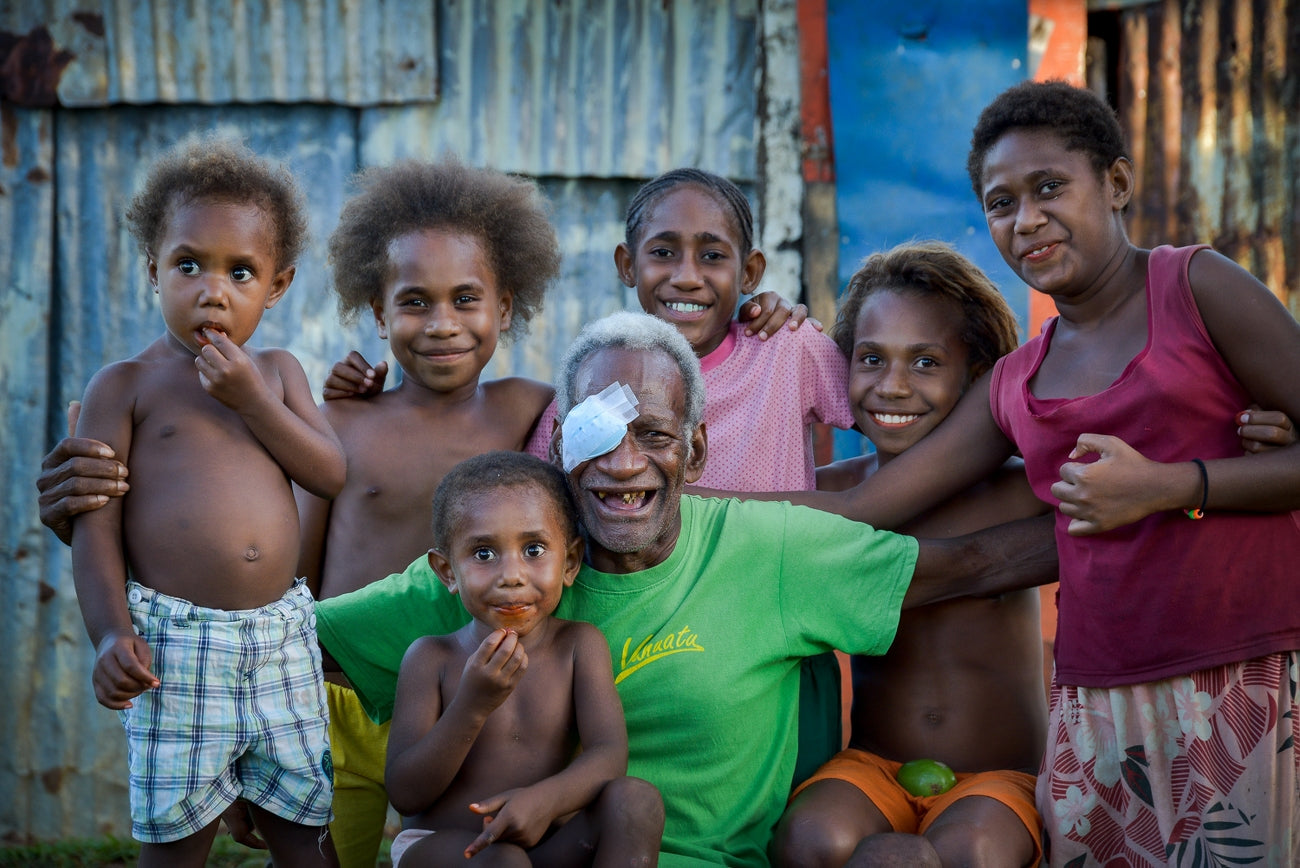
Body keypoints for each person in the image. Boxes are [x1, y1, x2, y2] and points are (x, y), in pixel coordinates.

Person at [756, 81, 1300, 864]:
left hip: (1238, 671)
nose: (1027, 218)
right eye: (1001, 202)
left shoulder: (1194, 288)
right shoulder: (1018, 383)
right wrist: (675, 501)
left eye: (1049, 188)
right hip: (1099, 697)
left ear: (1115, 182)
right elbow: (873, 503)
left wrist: (1178, 484)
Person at [311, 310, 1061, 866]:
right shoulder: (499, 568)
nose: (623, 464)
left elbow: (971, 565)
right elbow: (304, 641)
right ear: (561, 443)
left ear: (696, 451)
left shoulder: (767, 550)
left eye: (654, 435)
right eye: (599, 434)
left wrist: (1135, 518)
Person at [326, 167, 855, 784]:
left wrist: (849, 498)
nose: (687, 275)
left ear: (751, 270)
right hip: (633, 639)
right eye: (663, 252)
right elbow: (549, 498)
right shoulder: (593, 380)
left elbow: (892, 405)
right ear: (626, 265)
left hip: (769, 627)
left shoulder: (785, 347)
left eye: (713, 255)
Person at [66, 137, 345, 867]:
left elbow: (329, 473)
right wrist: (108, 634)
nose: (212, 291)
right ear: (152, 270)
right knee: (176, 839)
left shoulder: (277, 373)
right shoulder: (123, 387)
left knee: (306, 828)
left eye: (240, 272)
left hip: (282, 641)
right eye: (188, 264)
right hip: (175, 647)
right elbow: (94, 530)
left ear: (277, 286)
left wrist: (253, 399)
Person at [296, 158, 563, 868]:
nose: (443, 324)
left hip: (472, 699)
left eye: (466, 299)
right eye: (415, 302)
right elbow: (293, 585)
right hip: (338, 703)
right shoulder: (339, 424)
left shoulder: (531, 409)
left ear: (504, 306)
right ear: (379, 312)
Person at [772, 241, 1049, 868]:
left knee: (970, 852)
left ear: (975, 376)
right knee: (811, 838)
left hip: (999, 777)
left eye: (926, 362)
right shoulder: (830, 490)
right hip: (873, 767)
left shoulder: (1021, 489)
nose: (892, 386)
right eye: (871, 358)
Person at [385, 450, 663, 865]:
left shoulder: (578, 647)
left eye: (533, 549)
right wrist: (472, 705)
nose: (512, 576)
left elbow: (609, 755)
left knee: (636, 801)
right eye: (483, 554)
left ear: (570, 562)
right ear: (447, 571)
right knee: (505, 862)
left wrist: (544, 801)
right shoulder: (432, 658)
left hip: (544, 843)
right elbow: (406, 793)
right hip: (443, 848)